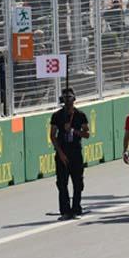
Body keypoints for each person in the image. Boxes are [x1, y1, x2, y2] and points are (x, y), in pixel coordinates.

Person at [50, 87, 89, 219]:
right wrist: (60, 153)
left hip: (76, 152)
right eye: (65, 98)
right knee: (62, 182)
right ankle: (65, 210)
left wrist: (74, 130)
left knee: (78, 182)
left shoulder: (80, 115)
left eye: (70, 97)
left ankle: (76, 208)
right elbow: (53, 135)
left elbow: (87, 133)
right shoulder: (57, 116)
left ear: (74, 98)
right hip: (62, 152)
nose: (68, 100)